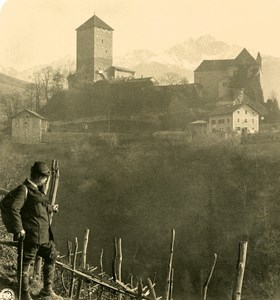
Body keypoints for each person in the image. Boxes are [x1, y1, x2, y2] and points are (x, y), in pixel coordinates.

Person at [8, 161, 62, 300]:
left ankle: (46, 291)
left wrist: (51, 208)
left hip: (43, 236)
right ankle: (25, 294)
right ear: (38, 176)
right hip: (31, 237)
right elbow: (14, 208)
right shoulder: (23, 189)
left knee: (52, 255)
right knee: (25, 265)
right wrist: (19, 229)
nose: (45, 180)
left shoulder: (37, 190)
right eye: (44, 177)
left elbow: (38, 208)